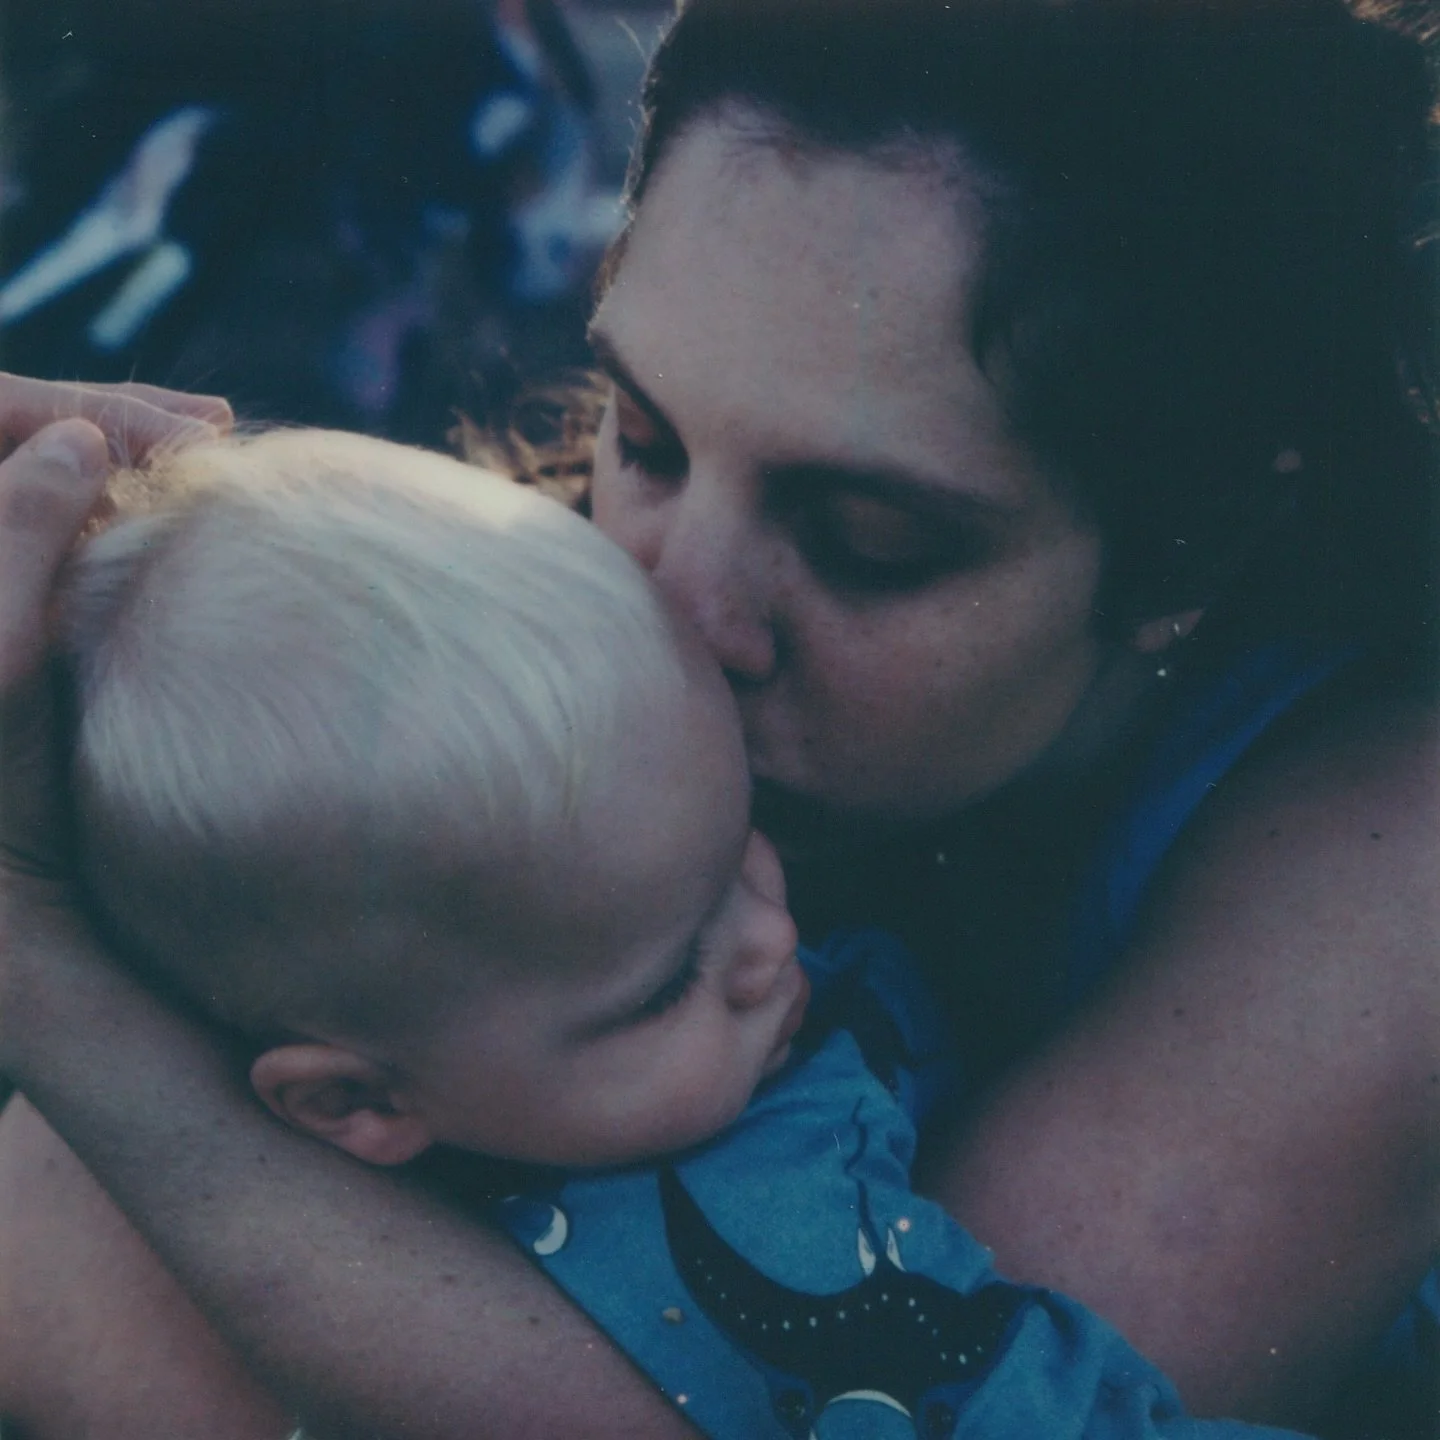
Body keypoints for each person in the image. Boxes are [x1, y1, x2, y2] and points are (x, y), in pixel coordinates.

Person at [0, 0, 1435, 1435]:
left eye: (869, 539)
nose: (675, 612)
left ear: (1196, 540)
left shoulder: (1391, 859)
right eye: (644, 437)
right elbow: (57, 1283)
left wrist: (42, 950)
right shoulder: (553, 639)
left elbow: (870, 1403)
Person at [19, 421, 1301, 1440]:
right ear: (349, 1098)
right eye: (663, 980)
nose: (766, 943)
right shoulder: (748, 1211)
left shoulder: (466, 1013)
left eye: (744, 853)